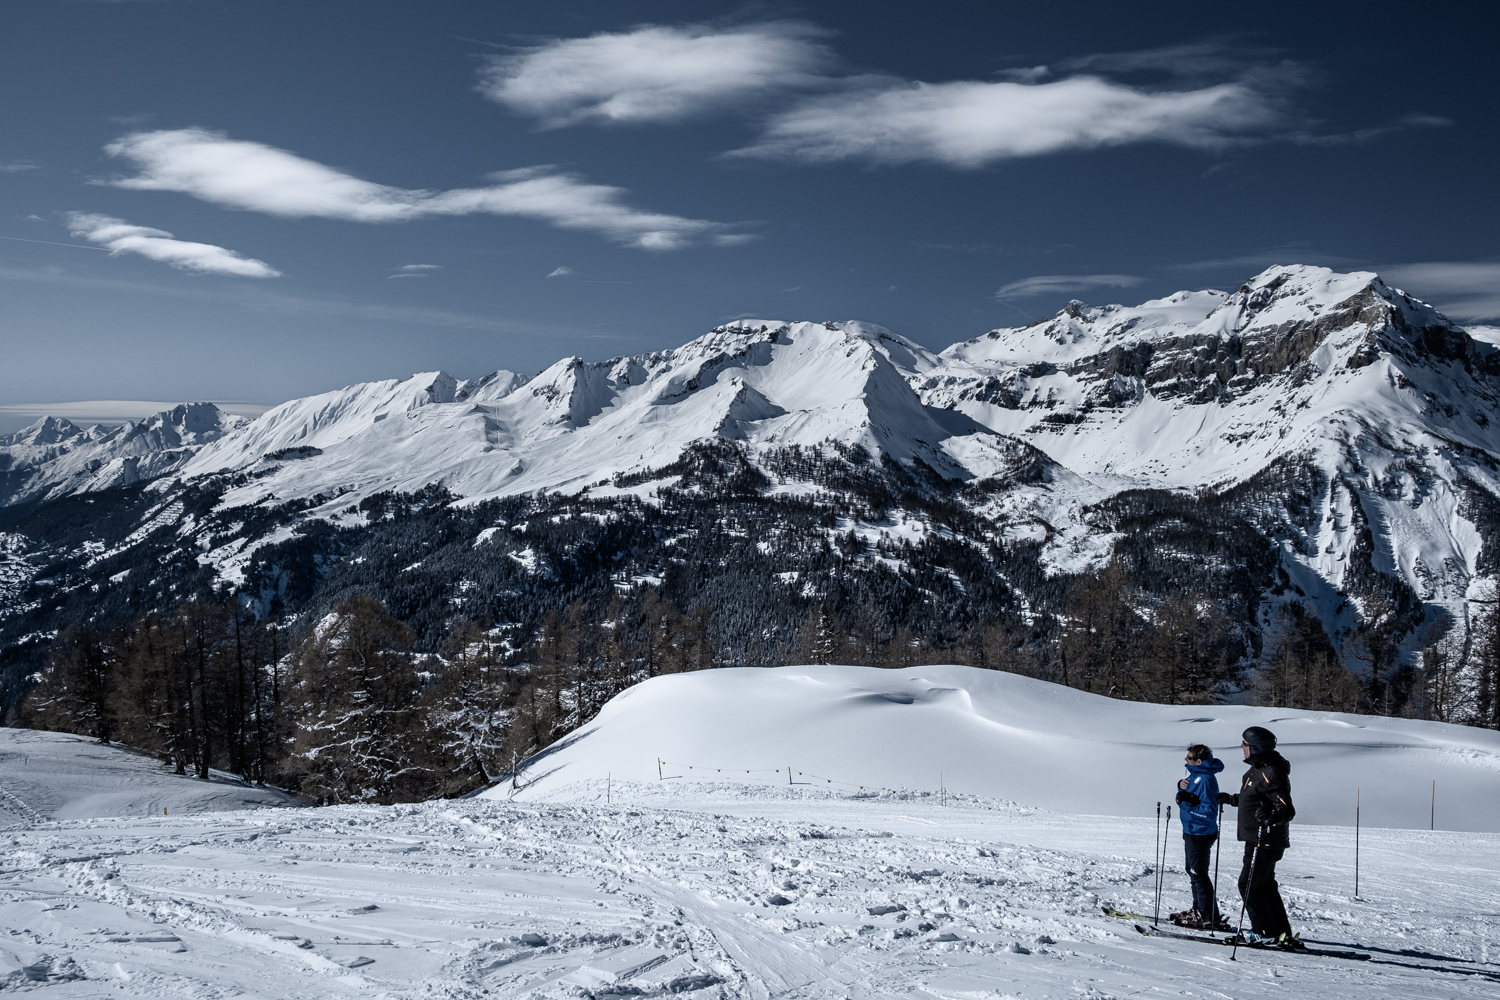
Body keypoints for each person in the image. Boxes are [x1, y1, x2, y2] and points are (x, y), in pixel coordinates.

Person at [1216, 726, 1299, 949]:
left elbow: (1285, 809)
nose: (1241, 748)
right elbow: (1255, 798)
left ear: (1255, 747)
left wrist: (1272, 815)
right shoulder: (1258, 770)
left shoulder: (1270, 771)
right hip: (1257, 837)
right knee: (1264, 885)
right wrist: (1232, 799)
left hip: (1265, 838)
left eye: (1244, 744)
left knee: (1249, 885)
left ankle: (1265, 933)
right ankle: (1280, 933)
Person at [1169, 743, 1226, 929]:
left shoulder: (1205, 779)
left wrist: (1184, 804)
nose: (1185, 759)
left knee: (1198, 873)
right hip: (1192, 830)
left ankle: (1207, 916)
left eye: (1189, 757)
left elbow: (1208, 811)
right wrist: (1180, 787)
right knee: (1193, 871)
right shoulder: (1196, 775)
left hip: (1200, 832)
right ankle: (1200, 910)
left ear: (1199, 761)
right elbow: (1191, 796)